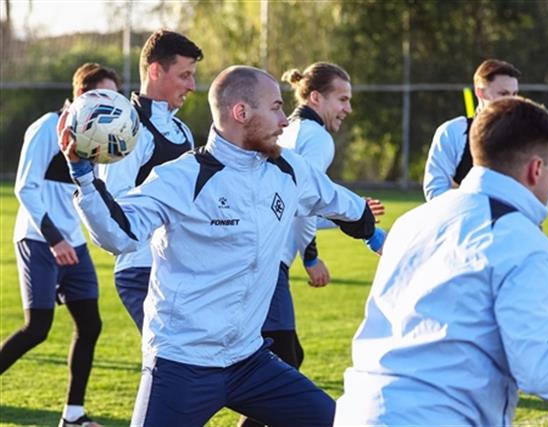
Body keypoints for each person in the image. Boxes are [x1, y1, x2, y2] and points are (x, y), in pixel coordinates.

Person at [59, 65, 386, 427]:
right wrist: (84, 177)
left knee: (338, 422)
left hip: (250, 362)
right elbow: (119, 235)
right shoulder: (182, 176)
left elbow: (341, 203)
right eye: (276, 108)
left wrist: (378, 239)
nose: (284, 121)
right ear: (241, 112)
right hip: (182, 365)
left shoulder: (288, 168)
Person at [334, 96, 548, 426]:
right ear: (536, 169)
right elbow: (544, 373)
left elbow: (434, 318)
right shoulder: (525, 242)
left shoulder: (413, 221)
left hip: (358, 411)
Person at [238, 61, 385, 427]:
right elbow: (304, 201)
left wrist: (353, 214)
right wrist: (311, 256)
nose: (348, 108)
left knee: (283, 360)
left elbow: (296, 206)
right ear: (316, 97)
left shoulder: (288, 130)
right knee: (281, 366)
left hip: (254, 255)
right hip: (268, 263)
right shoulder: (318, 138)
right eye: (342, 99)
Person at [1, 62, 121, 427]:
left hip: (74, 243)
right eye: (105, 95)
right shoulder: (45, 128)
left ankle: (73, 416)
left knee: (90, 325)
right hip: (39, 239)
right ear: (83, 95)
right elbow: (25, 188)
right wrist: (54, 239)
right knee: (37, 328)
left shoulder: (96, 137)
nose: (112, 104)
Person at [96, 29, 203, 332]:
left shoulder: (181, 130)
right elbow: (116, 206)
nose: (192, 86)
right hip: (142, 269)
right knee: (175, 353)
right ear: (155, 71)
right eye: (184, 75)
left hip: (181, 269)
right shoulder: (127, 130)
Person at [423, 58, 521, 201]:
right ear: (480, 92)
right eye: (503, 94)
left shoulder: (525, 135)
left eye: (515, 94)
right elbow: (435, 191)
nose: (511, 101)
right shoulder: (452, 132)